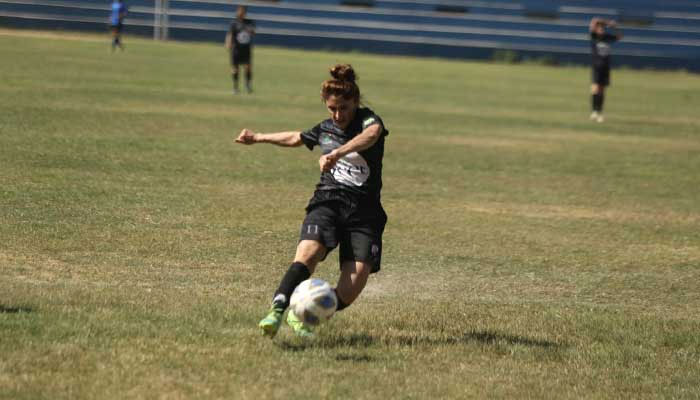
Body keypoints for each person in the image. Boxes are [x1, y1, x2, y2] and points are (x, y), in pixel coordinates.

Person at [234, 64, 389, 338]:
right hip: (328, 201)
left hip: (365, 213)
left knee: (351, 288)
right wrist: (257, 137)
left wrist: (337, 153)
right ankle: (277, 311)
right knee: (307, 254)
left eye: (344, 107)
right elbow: (296, 137)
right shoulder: (326, 128)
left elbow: (371, 136)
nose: (338, 114)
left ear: (355, 102)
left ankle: (302, 310)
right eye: (332, 108)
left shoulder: (368, 120)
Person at [589, 17, 622, 123]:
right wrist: (608, 22)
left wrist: (615, 28)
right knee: (595, 88)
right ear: (596, 29)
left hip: (606, 67)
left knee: (602, 90)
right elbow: (594, 20)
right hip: (596, 67)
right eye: (599, 28)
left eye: (603, 28)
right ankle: (594, 111)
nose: (601, 30)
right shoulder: (594, 37)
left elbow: (620, 37)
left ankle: (599, 112)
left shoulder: (607, 37)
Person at [225, 6, 256, 94]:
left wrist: (250, 30)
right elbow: (230, 34)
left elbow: (254, 32)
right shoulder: (234, 23)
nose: (240, 13)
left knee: (248, 67)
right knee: (235, 68)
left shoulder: (249, 22)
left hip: (246, 49)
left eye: (242, 11)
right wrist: (228, 43)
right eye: (239, 11)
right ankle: (235, 87)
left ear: (245, 12)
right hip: (236, 49)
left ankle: (248, 86)